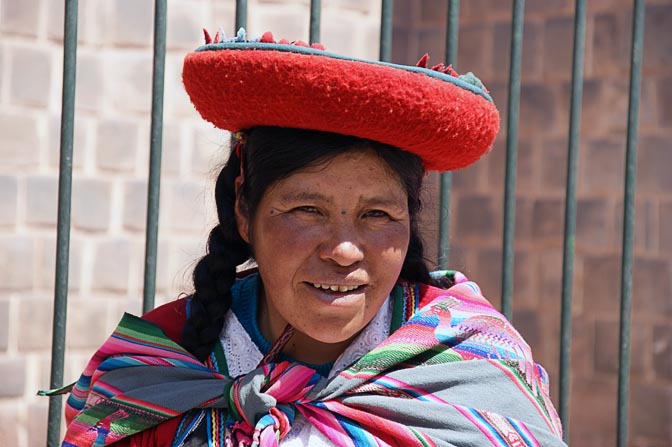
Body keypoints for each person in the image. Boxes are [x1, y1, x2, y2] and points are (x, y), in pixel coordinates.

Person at [48, 29, 567, 446]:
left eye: (378, 214)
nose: (344, 250)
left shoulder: (476, 373)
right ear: (245, 211)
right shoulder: (157, 372)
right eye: (306, 210)